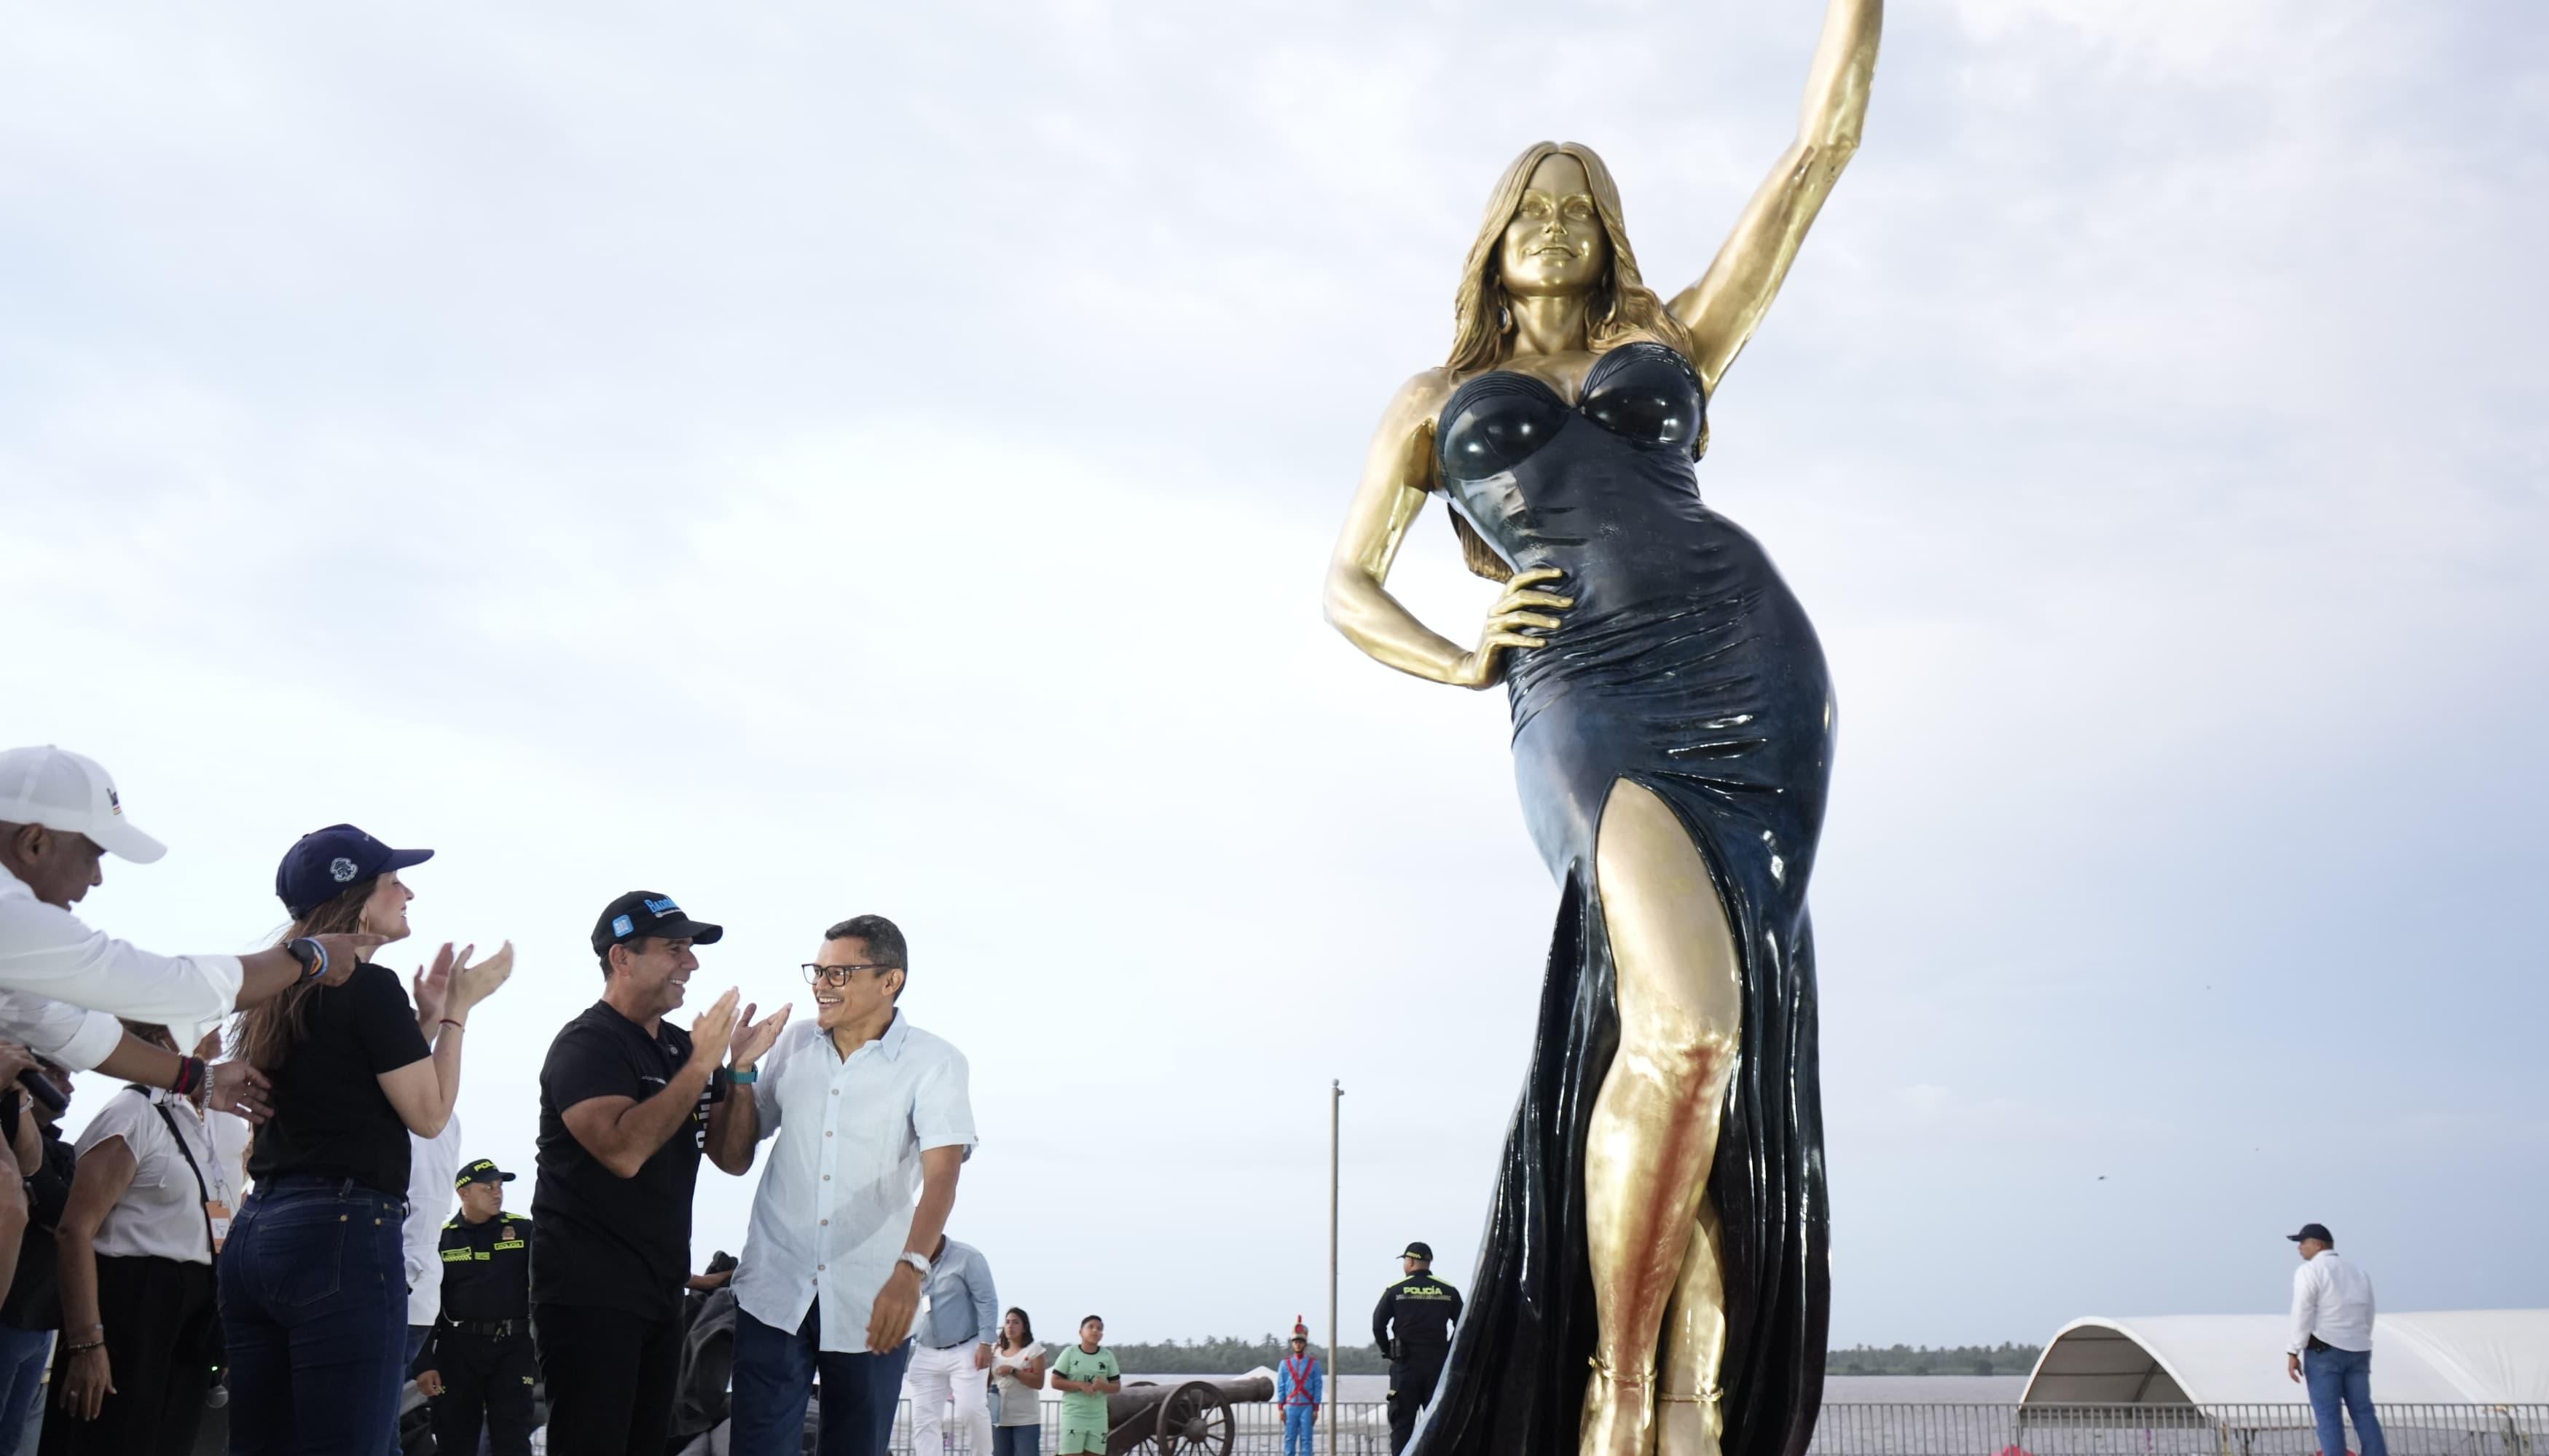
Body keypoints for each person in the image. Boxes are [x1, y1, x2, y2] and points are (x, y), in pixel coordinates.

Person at [1318, 1, 1880, 1450]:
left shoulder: (1674, 338)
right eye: (1531, 207)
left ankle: (1690, 1405)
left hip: (1748, 673)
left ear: (1608, 233)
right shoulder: (1435, 398)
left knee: (1715, 1060)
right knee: (1684, 1027)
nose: (1556, 226)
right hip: (1577, 694)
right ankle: (1613, 1389)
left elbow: (1817, 149)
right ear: (1492, 241)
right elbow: (1343, 582)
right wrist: (1456, 659)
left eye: (1580, 206)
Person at [221, 825, 513, 1454]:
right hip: (341, 1229)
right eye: (393, 881)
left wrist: (422, 1021)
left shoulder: (278, 992)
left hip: (259, 1230)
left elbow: (348, 1079)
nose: (407, 892)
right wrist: (457, 1010)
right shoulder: (370, 987)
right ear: (355, 897)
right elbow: (429, 1113)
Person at [0, 747, 377, 1162]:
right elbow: (171, 990)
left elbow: (71, 1030)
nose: (97, 878)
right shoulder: (10, 913)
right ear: (34, 843)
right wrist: (307, 958)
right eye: (94, 856)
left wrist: (198, 1079)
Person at [532, 892, 785, 1456]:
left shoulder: (680, 1048)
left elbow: (733, 1157)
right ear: (622, 957)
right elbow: (623, 1151)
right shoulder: (587, 1044)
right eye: (675, 949)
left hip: (661, 1292)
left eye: (690, 949)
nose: (690, 963)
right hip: (587, 1294)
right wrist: (700, 1065)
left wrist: (738, 1070)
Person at [726, 913, 973, 1456]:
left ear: (890, 980)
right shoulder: (791, 1044)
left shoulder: (936, 1063)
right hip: (773, 1290)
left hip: (874, 1299)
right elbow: (732, 1156)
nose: (821, 984)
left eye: (839, 972)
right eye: (817, 971)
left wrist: (911, 1271)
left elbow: (942, 1178)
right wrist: (740, 1071)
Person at [42, 1020, 224, 1455]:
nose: (217, 1035)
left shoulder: (191, 1121)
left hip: (188, 1317)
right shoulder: (132, 1111)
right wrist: (87, 1344)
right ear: (165, 1037)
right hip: (134, 1307)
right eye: (204, 1023)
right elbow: (74, 1230)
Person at [417, 1159, 536, 1456]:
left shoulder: (524, 1231)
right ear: (464, 1193)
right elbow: (428, 1302)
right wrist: (424, 1363)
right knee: (454, 1439)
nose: (497, 1193)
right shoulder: (443, 1239)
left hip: (512, 1348)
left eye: (499, 1187)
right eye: (488, 1188)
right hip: (458, 1350)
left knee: (513, 1438)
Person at [0, 1055, 74, 1452]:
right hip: (8, 1316)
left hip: (40, 1321)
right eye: (57, 1075)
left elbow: (63, 1211)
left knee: (13, 1439)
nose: (69, 1088)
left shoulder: (64, 1151)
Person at [390, 1114, 464, 1455]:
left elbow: (426, 1202)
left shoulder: (426, 1113)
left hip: (399, 1289)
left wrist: (402, 1277)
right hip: (398, 1286)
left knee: (371, 1420)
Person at [2286, 1222, 2387, 1456]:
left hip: (2325, 1350)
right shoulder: (2358, 1272)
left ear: (2317, 1245)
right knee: (2364, 1412)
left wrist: (2293, 1350)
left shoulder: (2310, 1271)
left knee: (2328, 1415)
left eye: (2303, 1242)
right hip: (2359, 1350)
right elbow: (2368, 1311)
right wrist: (2361, 1339)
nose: (2299, 1248)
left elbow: (2303, 1311)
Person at [906, 1233, 999, 1456]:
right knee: (923, 1420)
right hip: (925, 1349)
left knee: (971, 1410)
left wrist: (986, 1343)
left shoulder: (968, 1257)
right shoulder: (906, 1261)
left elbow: (987, 1300)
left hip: (966, 1348)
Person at [1373, 1245, 1462, 1455]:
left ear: (1410, 1261)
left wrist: (1389, 1352)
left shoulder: (1396, 1290)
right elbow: (1464, 1324)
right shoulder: (1448, 1290)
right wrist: (1449, 1351)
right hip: (1438, 1367)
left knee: (1402, 1426)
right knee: (1439, 1425)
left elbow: (1378, 1325)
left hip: (1405, 1366)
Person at [1047, 1317, 1119, 1456]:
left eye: (1099, 1328)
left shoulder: (1108, 1356)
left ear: (1102, 1335)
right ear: (1081, 1332)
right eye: (1091, 1327)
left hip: (1098, 1418)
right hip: (1074, 1416)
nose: (1095, 1330)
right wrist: (1080, 1385)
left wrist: (1103, 1386)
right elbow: (1055, 1382)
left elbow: (1116, 1386)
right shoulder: (1069, 1353)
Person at [989, 1309, 1045, 1456]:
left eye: (1015, 1322)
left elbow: (1039, 1383)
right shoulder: (995, 1351)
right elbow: (986, 1382)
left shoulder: (1034, 1350)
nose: (1010, 1326)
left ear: (1024, 1327)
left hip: (1026, 1420)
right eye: (1007, 1322)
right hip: (999, 1419)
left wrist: (1013, 1371)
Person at [1278, 1321, 1324, 1456]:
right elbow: (1281, 1386)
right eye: (1296, 1342)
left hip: (1307, 1406)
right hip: (1291, 1406)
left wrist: (1316, 1408)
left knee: (1307, 1440)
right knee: (1289, 1439)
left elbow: (1318, 1386)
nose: (1298, 1344)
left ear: (1305, 1343)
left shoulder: (1314, 1364)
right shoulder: (1285, 1364)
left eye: (1301, 1342)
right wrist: (1280, 1407)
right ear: (1292, 1344)